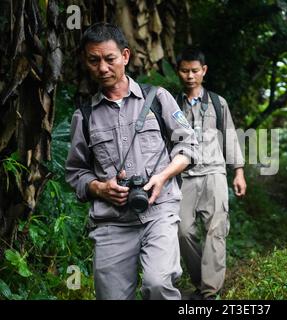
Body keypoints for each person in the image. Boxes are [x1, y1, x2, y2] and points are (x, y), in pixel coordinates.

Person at [65, 23, 198, 300]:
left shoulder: (158, 99)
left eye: (109, 59)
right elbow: (76, 173)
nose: (102, 68)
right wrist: (100, 188)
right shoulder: (85, 116)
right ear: (86, 62)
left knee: (158, 285)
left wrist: (162, 177)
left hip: (159, 212)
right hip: (111, 222)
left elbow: (189, 145)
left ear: (125, 56)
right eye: (94, 60)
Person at [176, 47, 247, 300]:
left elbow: (230, 137)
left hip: (215, 173)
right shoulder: (172, 104)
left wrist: (238, 172)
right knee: (182, 231)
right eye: (185, 70)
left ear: (204, 71)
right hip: (183, 177)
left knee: (216, 230)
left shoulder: (218, 102)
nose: (190, 76)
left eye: (195, 70)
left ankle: (210, 293)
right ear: (179, 71)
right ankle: (200, 281)